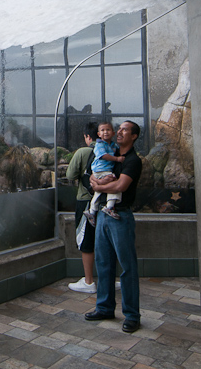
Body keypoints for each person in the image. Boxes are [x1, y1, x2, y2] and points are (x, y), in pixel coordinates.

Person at [84, 120, 144, 334]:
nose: (119, 131)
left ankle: (132, 315)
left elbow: (120, 185)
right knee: (103, 263)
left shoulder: (132, 160)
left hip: (120, 215)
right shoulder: (108, 150)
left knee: (127, 267)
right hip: (101, 214)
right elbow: (89, 174)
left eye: (124, 130)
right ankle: (105, 307)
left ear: (134, 136)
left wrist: (99, 185)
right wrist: (93, 178)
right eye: (119, 128)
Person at [66, 122, 100, 293]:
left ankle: (88, 282)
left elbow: (70, 175)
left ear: (87, 136)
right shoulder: (109, 151)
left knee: (86, 241)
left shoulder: (83, 152)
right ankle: (109, 278)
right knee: (105, 241)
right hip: (105, 203)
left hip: (86, 202)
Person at [82, 122, 123, 225]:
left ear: (113, 133)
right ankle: (109, 206)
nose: (105, 132)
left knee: (98, 191)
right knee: (114, 184)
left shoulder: (112, 145)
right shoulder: (99, 144)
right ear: (98, 134)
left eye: (108, 130)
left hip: (103, 170)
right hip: (101, 170)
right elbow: (103, 155)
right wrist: (117, 159)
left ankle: (92, 211)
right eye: (103, 130)